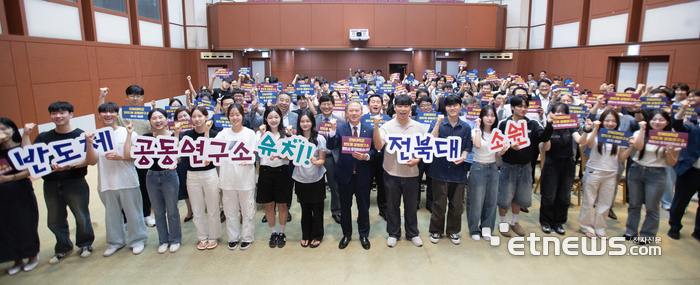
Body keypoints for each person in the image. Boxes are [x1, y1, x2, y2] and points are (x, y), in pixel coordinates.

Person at [23, 101, 95, 264]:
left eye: (62, 112)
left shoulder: (80, 135)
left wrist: (70, 166)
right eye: (54, 113)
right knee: (55, 219)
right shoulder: (44, 136)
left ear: (71, 114)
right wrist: (26, 135)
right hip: (51, 184)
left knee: (81, 215)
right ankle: (63, 246)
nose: (58, 116)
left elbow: (89, 160)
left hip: (75, 181)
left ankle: (85, 244)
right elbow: (29, 155)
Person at [84, 103, 148, 257]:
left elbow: (137, 156)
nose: (108, 115)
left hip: (128, 179)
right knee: (111, 214)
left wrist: (121, 158)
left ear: (117, 114)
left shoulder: (129, 133)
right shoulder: (95, 135)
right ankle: (115, 242)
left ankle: (137, 240)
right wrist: (89, 143)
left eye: (111, 112)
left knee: (133, 212)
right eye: (104, 112)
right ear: (98, 115)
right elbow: (92, 161)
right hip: (106, 181)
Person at [125, 108, 182, 253]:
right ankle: (163, 240)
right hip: (151, 176)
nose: (158, 121)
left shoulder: (173, 136)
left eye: (160, 117)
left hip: (169, 175)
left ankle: (175, 239)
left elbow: (179, 159)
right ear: (150, 121)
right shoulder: (145, 138)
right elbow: (129, 155)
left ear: (166, 119)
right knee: (157, 211)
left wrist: (176, 135)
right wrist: (129, 134)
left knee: (172, 210)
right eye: (154, 118)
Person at [373, 94, 426, 248]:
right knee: (392, 205)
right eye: (400, 106)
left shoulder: (418, 126)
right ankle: (393, 233)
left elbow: (423, 149)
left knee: (411, 205)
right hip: (391, 173)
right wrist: (376, 126)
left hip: (412, 174)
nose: (403, 109)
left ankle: (412, 233)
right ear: (394, 107)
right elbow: (378, 146)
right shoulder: (386, 126)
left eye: (406, 106)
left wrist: (417, 160)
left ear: (411, 108)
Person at [98, 86, 156, 228]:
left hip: (143, 153)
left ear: (142, 98)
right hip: (123, 154)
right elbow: (103, 115)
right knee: (125, 188)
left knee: (144, 185)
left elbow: (153, 129)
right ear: (127, 97)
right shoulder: (120, 113)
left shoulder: (146, 113)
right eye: (132, 95)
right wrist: (102, 97)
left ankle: (146, 214)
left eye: (138, 95)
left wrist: (154, 109)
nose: (135, 98)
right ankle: (126, 218)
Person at [497, 95, 553, 238]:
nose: (523, 109)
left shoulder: (532, 124)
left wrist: (550, 124)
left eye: (525, 106)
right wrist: (509, 146)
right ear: (512, 107)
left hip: (526, 167)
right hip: (508, 166)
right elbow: (497, 145)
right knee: (504, 197)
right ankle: (502, 222)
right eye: (520, 106)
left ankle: (514, 222)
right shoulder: (504, 123)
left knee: (520, 197)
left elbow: (544, 137)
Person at [625, 109, 679, 243]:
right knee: (634, 204)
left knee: (652, 207)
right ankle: (631, 231)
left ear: (667, 122)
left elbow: (672, 162)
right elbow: (638, 147)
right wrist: (643, 130)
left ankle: (647, 235)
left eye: (661, 120)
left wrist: (669, 152)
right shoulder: (640, 132)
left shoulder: (673, 137)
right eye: (654, 119)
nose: (657, 122)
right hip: (636, 170)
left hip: (657, 173)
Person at [328, 102, 376, 250]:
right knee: (345, 208)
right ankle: (347, 234)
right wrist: (331, 132)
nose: (354, 113)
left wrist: (366, 157)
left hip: (362, 176)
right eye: (351, 111)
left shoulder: (370, 130)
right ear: (346, 113)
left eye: (357, 110)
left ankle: (363, 234)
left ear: (362, 112)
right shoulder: (340, 128)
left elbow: (375, 151)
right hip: (344, 176)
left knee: (363, 207)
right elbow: (330, 146)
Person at [579, 110, 633, 238]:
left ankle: (601, 227)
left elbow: (622, 158)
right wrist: (595, 129)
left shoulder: (620, 136)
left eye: (613, 121)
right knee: (589, 200)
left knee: (605, 202)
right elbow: (590, 145)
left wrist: (630, 147)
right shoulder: (597, 133)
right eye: (607, 120)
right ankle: (586, 226)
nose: (610, 123)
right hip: (594, 171)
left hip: (611, 173)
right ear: (602, 121)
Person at [427, 95, 472, 245]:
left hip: (458, 171)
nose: (452, 108)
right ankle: (436, 230)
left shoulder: (465, 126)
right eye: (449, 105)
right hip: (439, 170)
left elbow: (467, 146)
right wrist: (438, 124)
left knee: (456, 204)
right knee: (439, 203)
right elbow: (430, 141)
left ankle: (452, 231)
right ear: (445, 107)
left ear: (461, 107)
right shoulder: (437, 122)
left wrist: (464, 155)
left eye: (455, 105)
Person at [178, 106, 221, 250]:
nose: (197, 119)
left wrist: (207, 132)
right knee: (197, 208)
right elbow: (179, 153)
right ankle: (202, 237)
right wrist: (176, 133)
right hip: (192, 175)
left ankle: (214, 235)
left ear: (206, 117)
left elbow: (210, 153)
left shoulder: (215, 134)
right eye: (194, 116)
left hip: (209, 173)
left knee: (213, 206)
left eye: (200, 116)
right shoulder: (187, 135)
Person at [0, 118, 40, 274]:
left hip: (19, 190)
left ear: (12, 130)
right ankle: (16, 259)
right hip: (2, 195)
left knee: (25, 224)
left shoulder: (20, 147)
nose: (2, 133)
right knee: (6, 228)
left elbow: (30, 169)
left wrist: (8, 178)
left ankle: (32, 257)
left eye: (5, 129)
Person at [216, 104, 257, 250]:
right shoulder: (223, 134)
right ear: (228, 117)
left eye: (237, 114)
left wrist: (248, 159)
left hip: (245, 178)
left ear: (243, 115)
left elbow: (253, 153)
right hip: (227, 178)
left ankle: (247, 237)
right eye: (232, 115)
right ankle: (233, 237)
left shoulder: (250, 133)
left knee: (248, 210)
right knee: (230, 210)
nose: (235, 117)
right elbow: (213, 150)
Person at [539, 103, 584, 235]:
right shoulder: (548, 127)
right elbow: (546, 148)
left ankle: (559, 222)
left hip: (568, 164)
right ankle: (546, 222)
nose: (560, 114)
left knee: (564, 196)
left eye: (563, 112)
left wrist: (585, 130)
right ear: (551, 113)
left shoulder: (571, 127)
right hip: (552, 163)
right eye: (557, 112)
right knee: (549, 195)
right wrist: (549, 125)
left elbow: (580, 140)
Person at [467, 106, 508, 241]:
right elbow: (477, 145)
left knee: (491, 201)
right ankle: (474, 229)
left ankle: (487, 229)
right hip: (478, 167)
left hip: (493, 168)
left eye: (492, 115)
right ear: (481, 117)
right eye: (486, 115)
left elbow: (496, 154)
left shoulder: (498, 134)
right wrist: (478, 126)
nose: (489, 118)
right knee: (476, 201)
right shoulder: (475, 131)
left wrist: (503, 150)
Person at [257, 106, 294, 248]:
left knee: (282, 204)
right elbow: (259, 153)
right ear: (265, 119)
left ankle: (282, 232)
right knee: (269, 204)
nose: (273, 120)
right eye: (270, 117)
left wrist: (279, 154)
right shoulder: (260, 134)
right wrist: (261, 135)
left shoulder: (286, 134)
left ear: (281, 118)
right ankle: (273, 232)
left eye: (276, 117)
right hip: (266, 171)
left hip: (282, 171)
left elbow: (290, 156)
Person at [293, 110, 328, 248]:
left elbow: (322, 161)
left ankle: (317, 235)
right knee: (305, 208)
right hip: (300, 178)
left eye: (308, 121)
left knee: (317, 209)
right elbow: (289, 157)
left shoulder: (320, 138)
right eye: (302, 121)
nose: (305, 124)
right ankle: (305, 234)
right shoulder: (295, 138)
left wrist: (315, 161)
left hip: (316, 178)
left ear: (312, 122)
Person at [668, 93, 700, 241]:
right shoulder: (692, 127)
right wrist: (682, 110)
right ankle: (674, 226)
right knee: (680, 200)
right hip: (690, 170)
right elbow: (677, 125)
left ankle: (698, 230)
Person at [315, 94, 346, 224]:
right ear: (320, 106)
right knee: (316, 185)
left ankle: (336, 210)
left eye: (329, 104)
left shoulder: (341, 121)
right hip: (316, 157)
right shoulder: (313, 119)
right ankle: (317, 211)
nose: (326, 106)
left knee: (335, 186)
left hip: (333, 157)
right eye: (324, 104)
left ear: (333, 105)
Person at [173, 108, 194, 222]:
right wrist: (176, 134)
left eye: (185, 116)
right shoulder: (175, 133)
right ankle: (190, 210)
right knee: (185, 185)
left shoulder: (195, 129)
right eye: (180, 117)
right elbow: (174, 149)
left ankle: (198, 209)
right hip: (182, 161)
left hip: (194, 160)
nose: (183, 118)